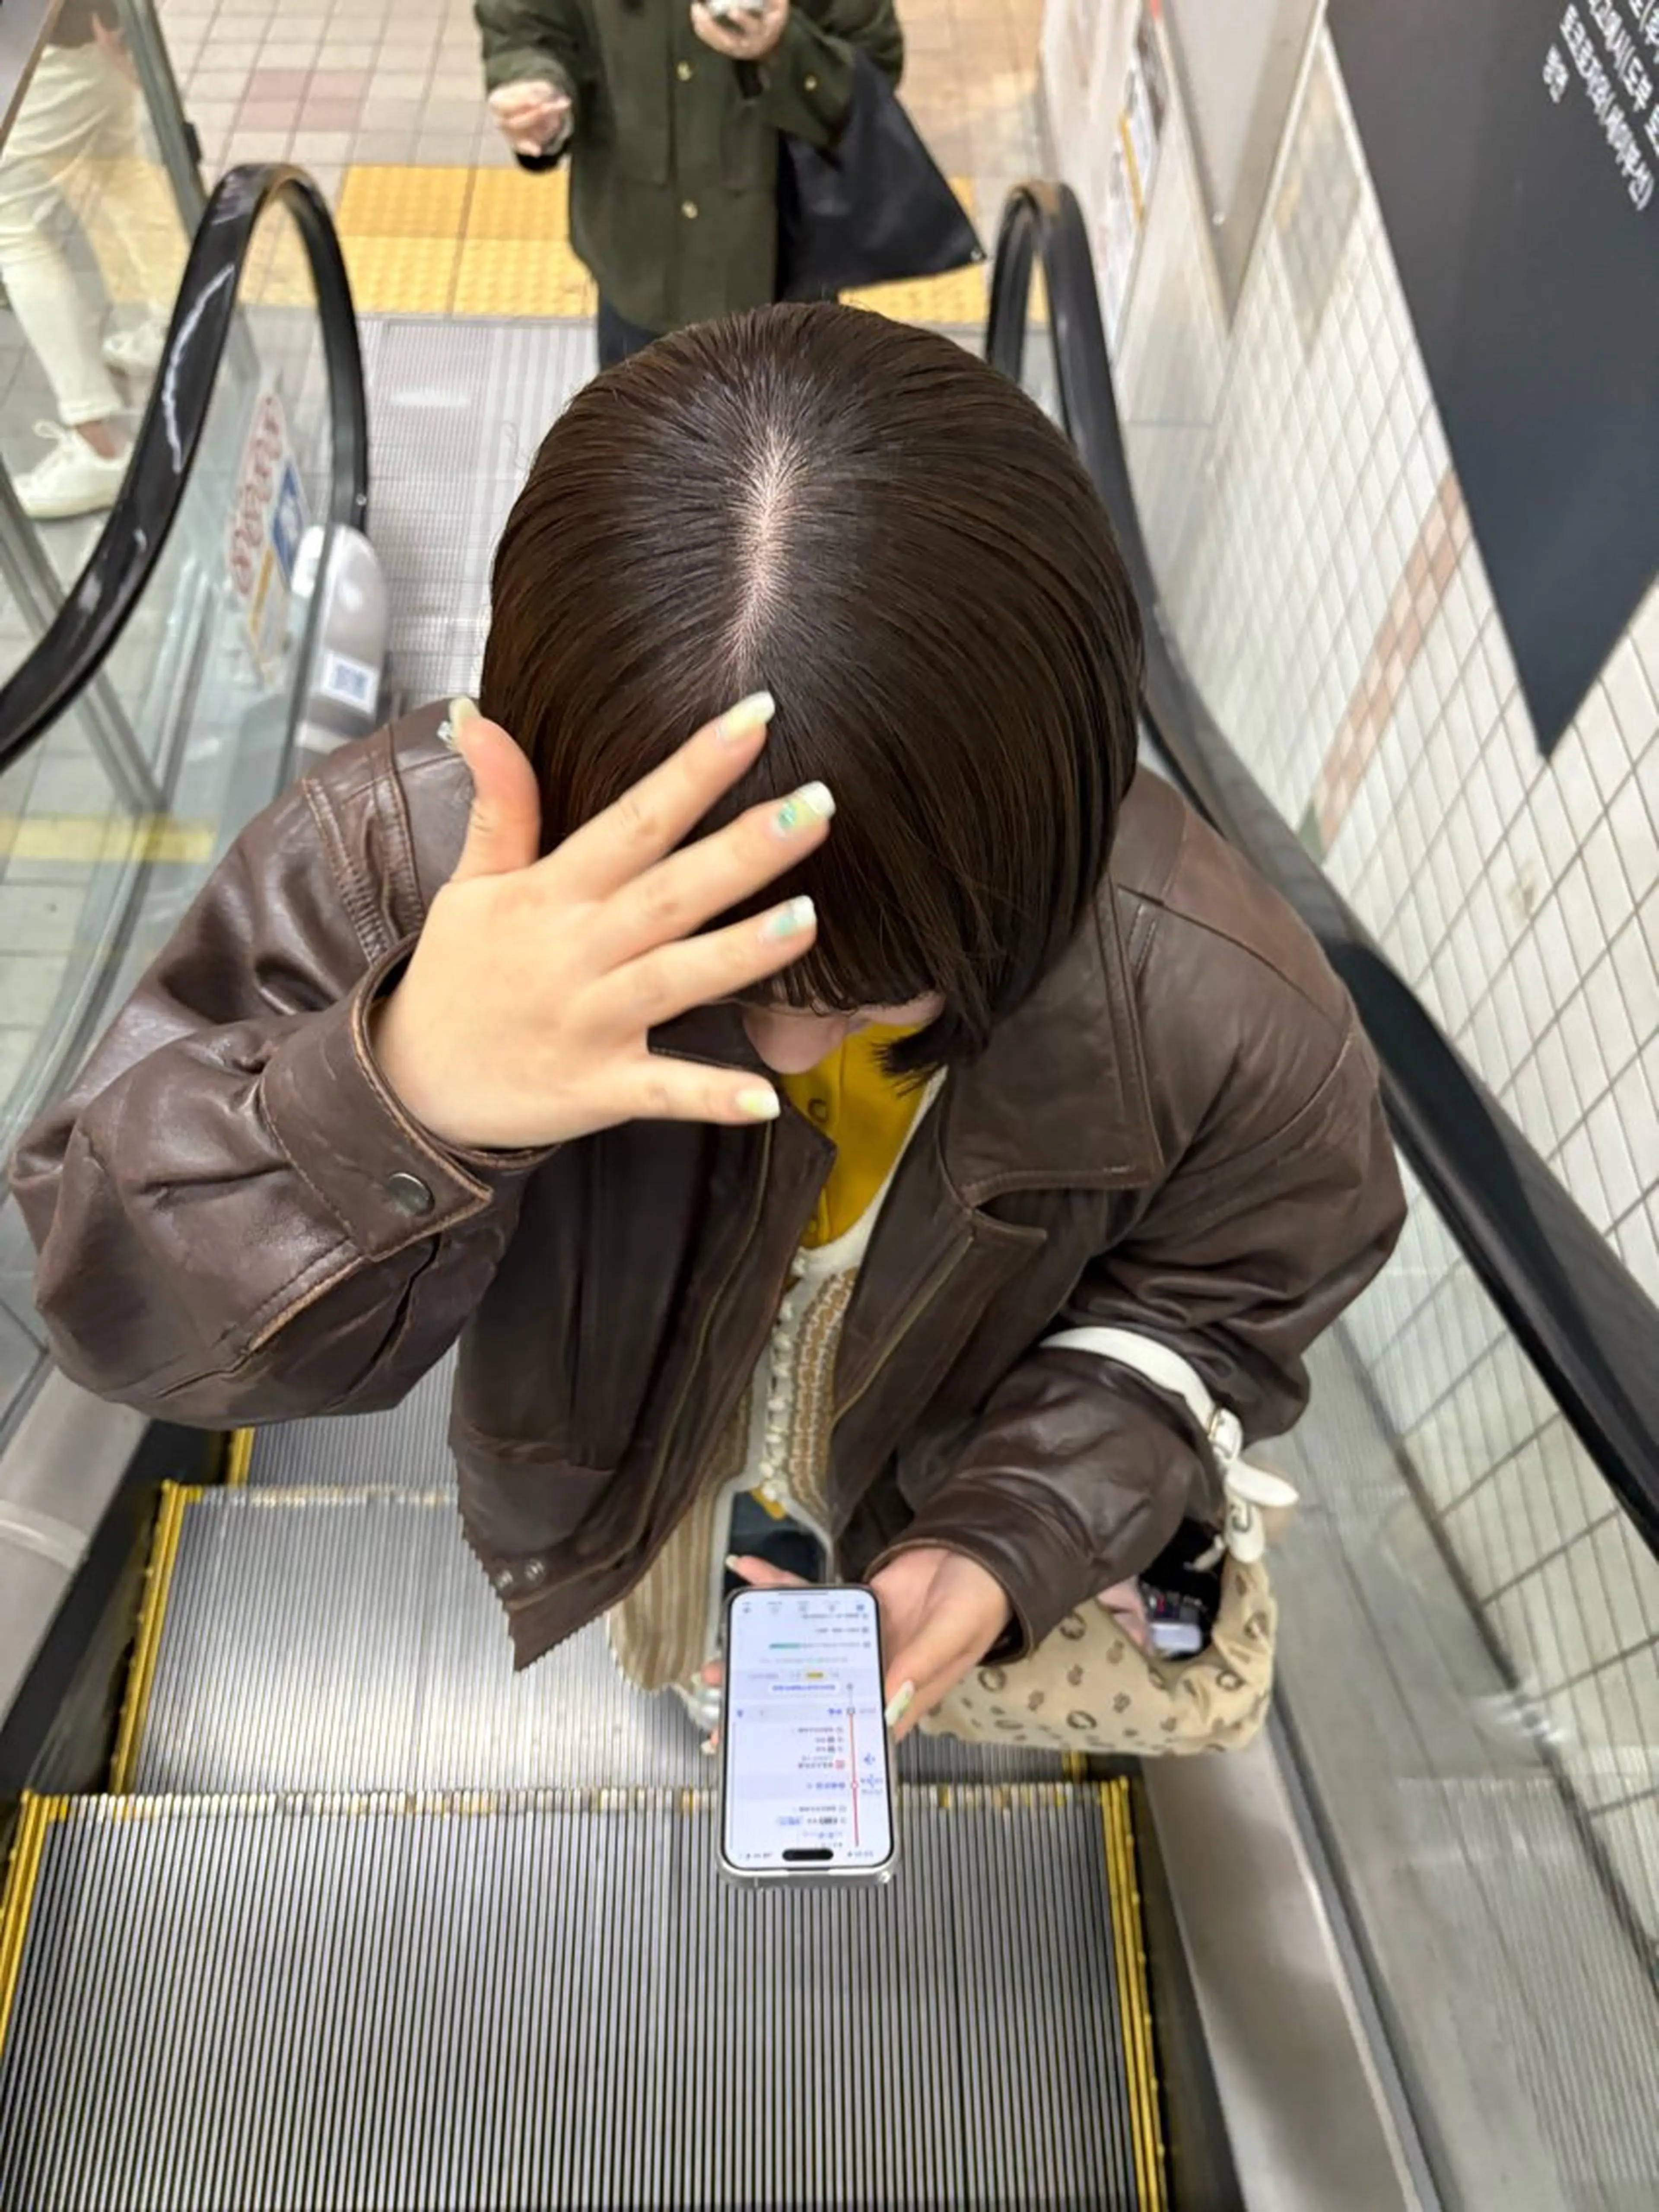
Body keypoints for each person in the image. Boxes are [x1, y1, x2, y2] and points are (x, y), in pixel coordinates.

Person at [12, 305, 1405, 1746]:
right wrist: (404, 1086)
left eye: (873, 986)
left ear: (1051, 821)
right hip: (624, 1484)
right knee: (683, 1644)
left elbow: (1225, 1301)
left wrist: (1013, 1534)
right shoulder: (393, 868)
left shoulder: (1228, 1015)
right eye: (713, 970)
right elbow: (111, 1310)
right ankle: (688, 1675)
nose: (789, 1058)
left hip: (923, 1480)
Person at [476, 0, 903, 368]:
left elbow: (874, 65)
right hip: (639, 259)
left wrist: (783, 49)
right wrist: (533, 86)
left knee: (794, 449)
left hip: (785, 267)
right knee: (635, 443)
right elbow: (524, 25)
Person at [0, 2, 184, 521]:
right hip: (96, 24)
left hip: (51, 36)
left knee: (10, 222)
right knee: (119, 171)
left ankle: (98, 443)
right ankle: (180, 325)